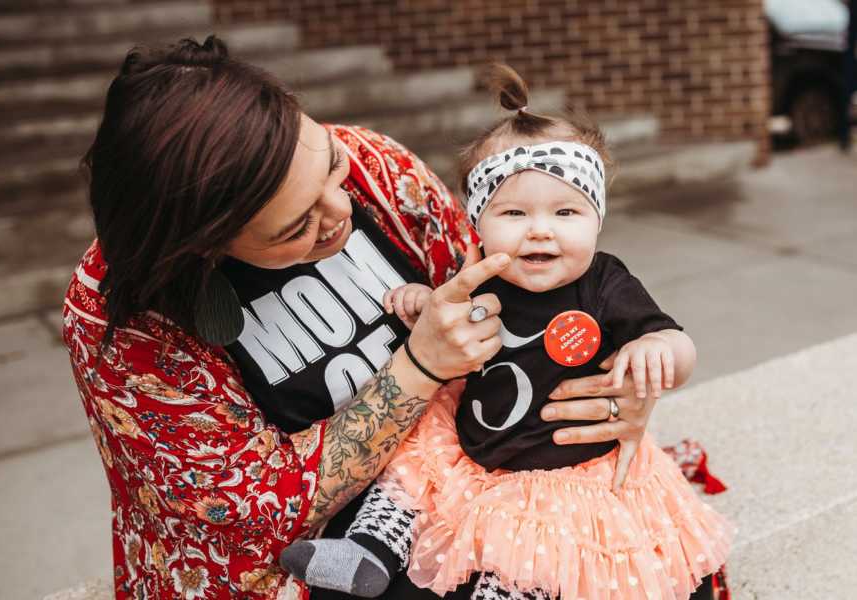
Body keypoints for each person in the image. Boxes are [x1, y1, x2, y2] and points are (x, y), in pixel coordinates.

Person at [62, 37, 690, 600]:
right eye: (296, 227)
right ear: (201, 244)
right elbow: (249, 511)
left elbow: (511, 286)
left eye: (330, 166)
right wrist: (419, 367)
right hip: (314, 543)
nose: (340, 210)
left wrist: (613, 391)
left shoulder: (374, 163)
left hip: (475, 469)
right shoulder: (123, 319)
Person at [281, 66, 734, 600]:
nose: (540, 228)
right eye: (514, 212)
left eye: (566, 211)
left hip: (561, 473)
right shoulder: (484, 271)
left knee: (534, 556)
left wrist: (659, 351)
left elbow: (672, 341)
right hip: (470, 449)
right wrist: (423, 302)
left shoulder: (604, 282)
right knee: (408, 469)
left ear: (597, 220)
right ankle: (370, 549)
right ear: (478, 221)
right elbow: (450, 312)